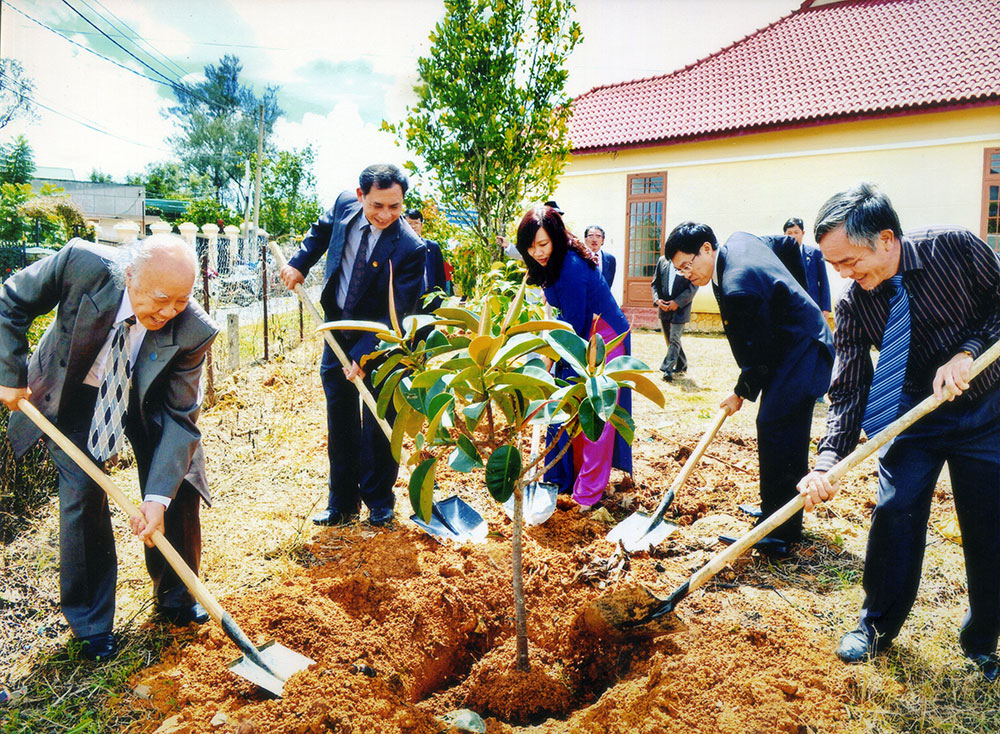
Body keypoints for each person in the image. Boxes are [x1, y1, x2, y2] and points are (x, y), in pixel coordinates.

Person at [796, 183, 1000, 681]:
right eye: (834, 265)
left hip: (987, 411)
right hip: (914, 415)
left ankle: (982, 638)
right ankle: (876, 627)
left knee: (989, 525)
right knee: (894, 513)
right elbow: (848, 386)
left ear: (886, 239)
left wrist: (968, 351)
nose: (844, 274)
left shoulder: (957, 248)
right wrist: (827, 460)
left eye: (849, 261)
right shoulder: (854, 303)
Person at [0, 234, 218, 661]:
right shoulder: (80, 264)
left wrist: (156, 499)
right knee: (82, 497)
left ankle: (176, 598)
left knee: (179, 488)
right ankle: (91, 624)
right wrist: (10, 371)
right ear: (130, 275)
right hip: (75, 389)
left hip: (148, 398)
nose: (170, 311)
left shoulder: (194, 329)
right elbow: (11, 300)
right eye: (161, 298)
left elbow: (179, 418)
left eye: (181, 300)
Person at [665, 222, 833, 555]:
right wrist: (793, 293)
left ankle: (779, 533)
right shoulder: (740, 240)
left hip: (802, 349)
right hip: (790, 345)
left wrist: (741, 391)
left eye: (688, 265)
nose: (686, 275)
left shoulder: (738, 286)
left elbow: (759, 355)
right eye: (679, 270)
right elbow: (787, 245)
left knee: (776, 426)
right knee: (777, 426)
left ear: (707, 249)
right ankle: (777, 510)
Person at [280, 164, 425, 528]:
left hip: (381, 341)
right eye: (378, 205)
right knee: (340, 420)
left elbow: (400, 313)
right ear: (360, 197)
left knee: (378, 421)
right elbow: (319, 233)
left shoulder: (411, 247)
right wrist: (299, 263)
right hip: (336, 331)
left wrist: (363, 355)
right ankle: (342, 504)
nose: (386, 215)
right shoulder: (344, 205)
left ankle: (379, 501)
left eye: (395, 207)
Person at [516, 205, 632, 509]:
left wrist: (549, 363)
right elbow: (556, 314)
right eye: (530, 246)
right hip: (578, 334)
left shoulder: (570, 268)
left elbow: (576, 329)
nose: (537, 252)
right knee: (572, 412)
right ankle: (570, 481)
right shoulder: (552, 263)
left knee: (596, 417)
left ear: (555, 237)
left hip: (603, 338)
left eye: (543, 244)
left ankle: (588, 494)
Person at [650, 251, 696, 381]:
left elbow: (693, 286)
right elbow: (655, 283)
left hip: (681, 307)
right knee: (670, 339)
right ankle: (682, 364)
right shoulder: (662, 261)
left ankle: (667, 369)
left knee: (674, 338)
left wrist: (677, 302)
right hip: (664, 307)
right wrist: (657, 300)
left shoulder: (689, 261)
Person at [783, 217, 832, 319]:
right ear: (784, 235)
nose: (793, 236)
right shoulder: (781, 255)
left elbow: (824, 281)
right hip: (790, 307)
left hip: (813, 306)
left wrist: (826, 308)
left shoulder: (815, 253)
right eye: (789, 233)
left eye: (796, 232)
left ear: (803, 233)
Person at [403, 208, 447, 313]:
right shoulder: (399, 247)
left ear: (421, 225)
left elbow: (441, 277)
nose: (413, 226)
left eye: (416, 223)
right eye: (409, 223)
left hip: (430, 300)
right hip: (408, 302)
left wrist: (439, 299)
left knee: (430, 329)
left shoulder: (433, 247)